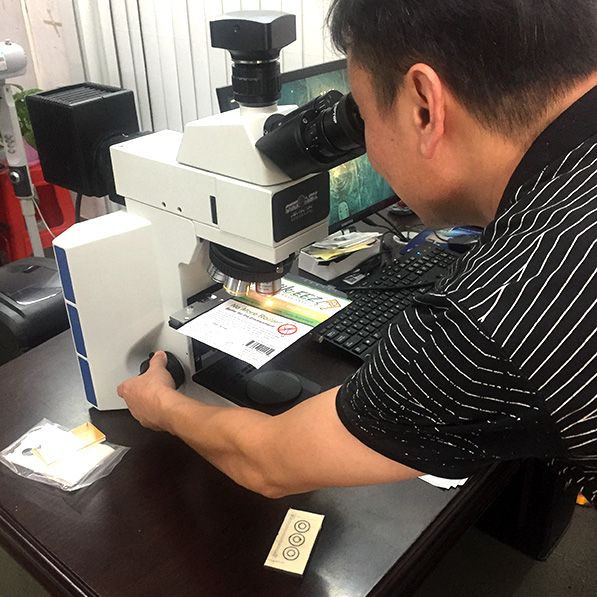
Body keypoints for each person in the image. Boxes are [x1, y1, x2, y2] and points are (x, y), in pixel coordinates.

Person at [117, 0, 597, 505]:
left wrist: (161, 406)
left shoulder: (500, 305)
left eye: (362, 115)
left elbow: (269, 461)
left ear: (424, 107)